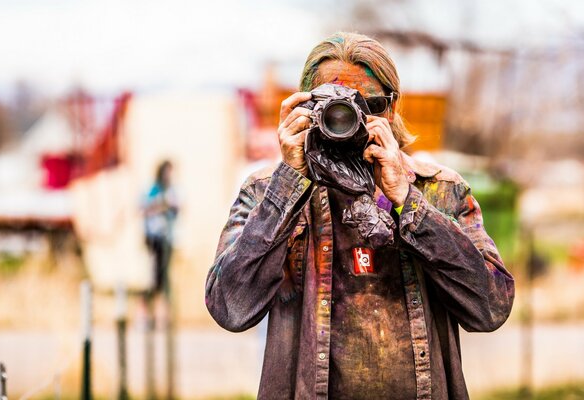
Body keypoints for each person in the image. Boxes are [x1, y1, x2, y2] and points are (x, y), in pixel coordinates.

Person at [205, 32, 514, 400]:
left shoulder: (438, 190)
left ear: (392, 109)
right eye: (333, 106)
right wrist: (289, 183)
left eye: (367, 105)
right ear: (304, 108)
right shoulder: (266, 192)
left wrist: (408, 202)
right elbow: (229, 308)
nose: (348, 119)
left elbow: (491, 308)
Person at [143, 160, 179, 296]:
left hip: (167, 236)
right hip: (154, 236)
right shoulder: (154, 189)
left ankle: (163, 299)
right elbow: (145, 208)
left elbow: (177, 208)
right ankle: (155, 299)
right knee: (156, 273)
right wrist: (161, 206)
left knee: (165, 272)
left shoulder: (171, 190)